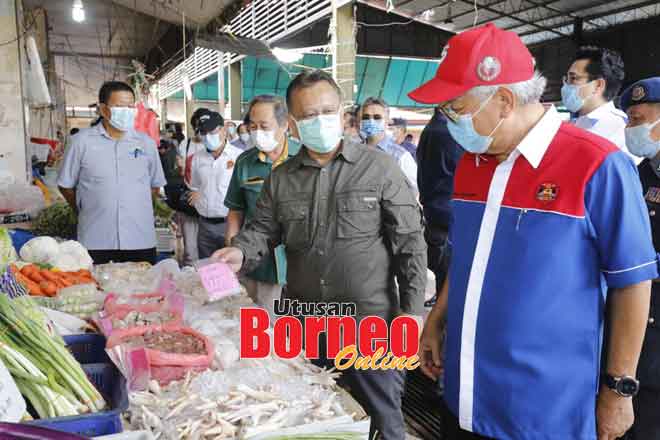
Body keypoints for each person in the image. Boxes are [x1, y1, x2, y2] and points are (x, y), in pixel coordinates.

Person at [409, 23, 657, 440]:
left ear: (504, 100)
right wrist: (438, 317)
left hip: (543, 411)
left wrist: (618, 391)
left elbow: (632, 282)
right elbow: (468, 253)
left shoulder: (597, 166)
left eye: (455, 106)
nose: (449, 118)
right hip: (465, 394)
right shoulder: (473, 163)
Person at [214, 69, 427, 440]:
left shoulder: (379, 168)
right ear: (293, 124)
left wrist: (411, 313)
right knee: (315, 420)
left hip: (369, 325)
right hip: (306, 324)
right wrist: (239, 254)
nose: (320, 121)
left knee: (382, 420)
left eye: (328, 111)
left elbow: (409, 243)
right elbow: (262, 229)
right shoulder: (281, 179)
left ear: (343, 113)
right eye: (309, 116)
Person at [58, 81, 166, 265]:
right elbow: (66, 186)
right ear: (103, 109)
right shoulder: (80, 143)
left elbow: (155, 186)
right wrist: (84, 209)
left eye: (130, 107)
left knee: (143, 290)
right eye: (119, 107)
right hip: (96, 238)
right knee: (95, 291)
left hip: (139, 238)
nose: (127, 111)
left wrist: (135, 206)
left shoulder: (146, 143)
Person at [224, 95, 301, 317]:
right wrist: (232, 249)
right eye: (253, 126)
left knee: (299, 337)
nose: (257, 132)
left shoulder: (305, 158)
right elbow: (235, 212)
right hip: (257, 264)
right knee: (260, 328)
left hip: (299, 266)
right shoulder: (245, 162)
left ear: (285, 124)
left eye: (264, 126)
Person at [619, 77, 660, 440]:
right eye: (630, 120)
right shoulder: (640, 173)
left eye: (638, 119)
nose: (632, 129)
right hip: (640, 337)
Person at [416, 107, 463, 309]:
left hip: (434, 211)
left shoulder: (430, 129)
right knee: (448, 270)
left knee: (443, 268)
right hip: (447, 212)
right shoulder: (447, 133)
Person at [187, 109, 242, 259]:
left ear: (224, 130)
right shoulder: (197, 159)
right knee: (207, 271)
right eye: (204, 133)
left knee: (231, 271)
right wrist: (197, 192)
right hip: (205, 225)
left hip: (229, 224)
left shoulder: (239, 157)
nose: (208, 137)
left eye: (213, 132)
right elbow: (195, 186)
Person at [562, 46, 633, 159]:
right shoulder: (572, 123)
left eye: (573, 78)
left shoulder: (621, 129)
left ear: (598, 85)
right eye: (566, 79)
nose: (566, 85)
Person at [358, 97, 418, 192]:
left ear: (387, 121)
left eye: (377, 117)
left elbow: (413, 189)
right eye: (366, 117)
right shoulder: (355, 151)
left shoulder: (400, 156)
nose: (371, 121)